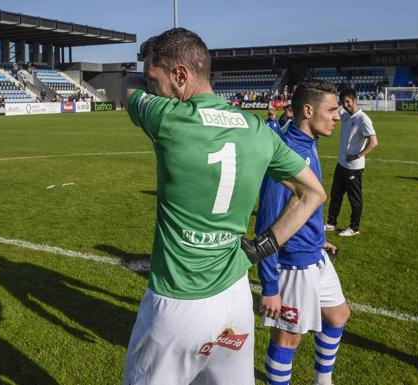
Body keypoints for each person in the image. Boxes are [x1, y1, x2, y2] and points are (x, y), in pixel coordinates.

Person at [120, 28, 326, 385]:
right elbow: (313, 193)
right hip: (235, 299)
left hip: (177, 303)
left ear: (181, 75)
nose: (153, 88)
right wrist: (263, 246)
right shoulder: (258, 130)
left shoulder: (168, 118)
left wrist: (142, 75)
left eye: (157, 79)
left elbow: (128, 85)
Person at [256, 81, 350, 385]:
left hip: (315, 254)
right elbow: (267, 222)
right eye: (332, 110)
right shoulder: (287, 155)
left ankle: (323, 381)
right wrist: (270, 284)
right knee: (287, 341)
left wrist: (319, 238)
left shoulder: (307, 143)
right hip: (293, 265)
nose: (337, 116)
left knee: (338, 316)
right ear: (308, 111)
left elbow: (303, 206)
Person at [325, 87, 378, 236]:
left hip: (354, 167)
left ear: (355, 100)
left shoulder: (363, 119)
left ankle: (354, 227)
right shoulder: (345, 114)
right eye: (343, 102)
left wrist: (357, 155)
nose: (346, 105)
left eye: (348, 102)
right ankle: (331, 223)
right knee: (336, 194)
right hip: (341, 163)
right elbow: (334, 113)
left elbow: (373, 142)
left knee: (354, 199)